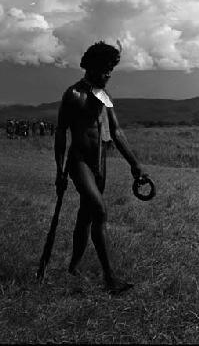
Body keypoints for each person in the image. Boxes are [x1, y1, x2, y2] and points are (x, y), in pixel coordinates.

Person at [54, 41, 147, 294]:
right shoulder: (73, 95)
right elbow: (61, 133)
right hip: (79, 162)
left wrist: (135, 164)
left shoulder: (104, 96)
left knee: (85, 217)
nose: (108, 74)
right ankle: (110, 279)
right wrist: (60, 171)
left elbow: (116, 132)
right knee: (99, 211)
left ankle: (72, 267)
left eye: (111, 70)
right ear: (92, 67)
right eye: (105, 69)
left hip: (100, 164)